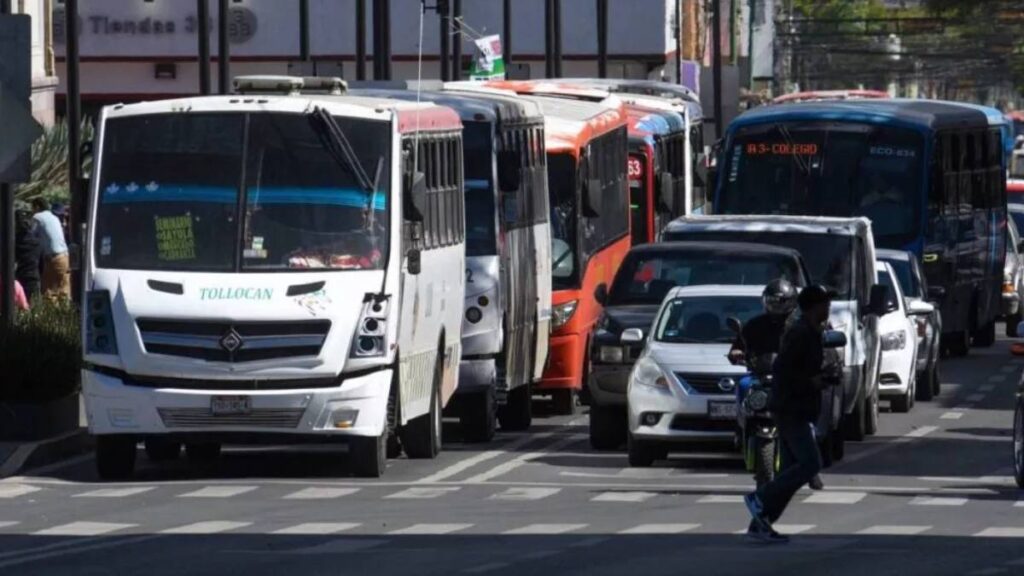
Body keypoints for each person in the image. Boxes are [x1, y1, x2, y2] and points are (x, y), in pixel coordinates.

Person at [743, 285, 834, 544]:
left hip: (798, 407)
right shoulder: (800, 333)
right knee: (810, 464)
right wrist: (812, 382)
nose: (828, 308)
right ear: (813, 306)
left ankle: (761, 523)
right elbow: (785, 372)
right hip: (790, 408)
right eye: (825, 303)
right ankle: (759, 499)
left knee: (794, 471)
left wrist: (822, 377)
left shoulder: (812, 332)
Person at [729, 279, 825, 492]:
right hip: (761, 376)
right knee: (743, 385)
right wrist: (736, 353)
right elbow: (738, 345)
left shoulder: (801, 325)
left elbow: (821, 349)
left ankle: (811, 467)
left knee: (806, 417)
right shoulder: (755, 325)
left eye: (781, 302)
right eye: (772, 301)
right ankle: (740, 426)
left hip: (792, 379)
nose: (776, 306)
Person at [31, 198, 70, 300]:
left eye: (33, 208)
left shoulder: (37, 217)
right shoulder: (54, 217)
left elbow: (30, 236)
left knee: (49, 293)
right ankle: (66, 315)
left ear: (37, 207)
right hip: (65, 258)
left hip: (54, 259)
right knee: (64, 293)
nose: (32, 211)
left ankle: (53, 316)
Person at [14, 208, 41, 303]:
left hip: (20, 277)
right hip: (34, 277)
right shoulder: (36, 241)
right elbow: (41, 263)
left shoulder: (14, 242)